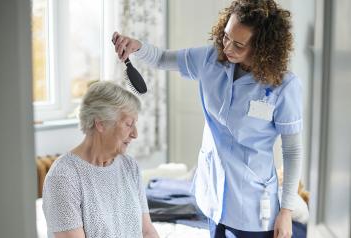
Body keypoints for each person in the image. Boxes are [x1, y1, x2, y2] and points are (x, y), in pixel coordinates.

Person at [112, 0, 303, 237]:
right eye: (225, 36)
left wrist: (286, 211)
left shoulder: (283, 87)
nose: (227, 48)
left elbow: (292, 152)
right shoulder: (210, 60)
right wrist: (136, 46)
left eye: (239, 45)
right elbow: (162, 58)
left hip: (252, 205)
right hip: (212, 196)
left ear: (263, 47)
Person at [42, 81, 159, 238]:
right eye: (128, 124)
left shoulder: (129, 166)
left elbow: (146, 231)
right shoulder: (64, 177)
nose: (135, 134)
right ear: (101, 124)